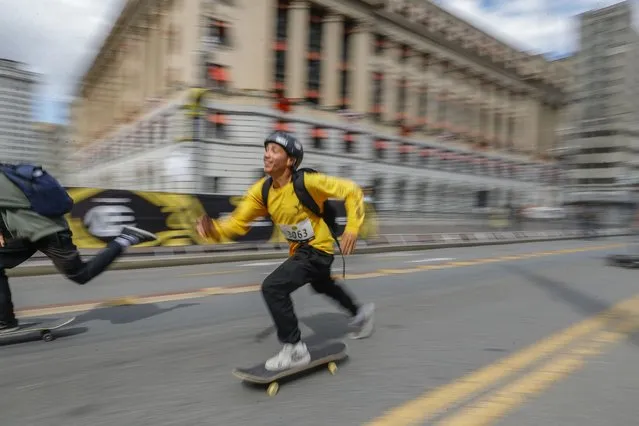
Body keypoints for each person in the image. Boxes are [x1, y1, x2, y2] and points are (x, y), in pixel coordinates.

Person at [196, 131, 374, 371]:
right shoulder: (263, 191)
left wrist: (352, 228)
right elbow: (238, 223)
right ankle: (361, 313)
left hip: (317, 250)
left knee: (273, 287)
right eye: (266, 149)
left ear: (290, 160)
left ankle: (295, 349)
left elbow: (352, 190)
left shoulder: (308, 183)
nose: (266, 155)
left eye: (274, 151)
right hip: (301, 251)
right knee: (322, 285)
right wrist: (214, 230)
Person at [0, 166, 158, 333]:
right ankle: (5, 321)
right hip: (31, 231)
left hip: (47, 232)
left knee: (80, 274)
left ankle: (126, 238)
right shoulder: (8, 173)